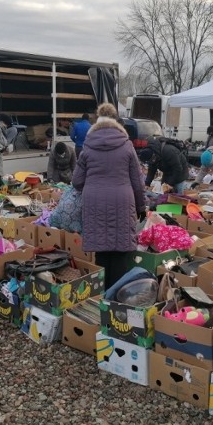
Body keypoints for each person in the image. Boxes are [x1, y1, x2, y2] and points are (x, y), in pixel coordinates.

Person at [72, 103, 145, 290]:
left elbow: (77, 181)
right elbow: (137, 181)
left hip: (94, 201)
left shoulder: (88, 146)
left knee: (101, 251)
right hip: (122, 200)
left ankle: (101, 296)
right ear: (116, 120)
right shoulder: (126, 145)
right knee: (120, 251)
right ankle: (118, 299)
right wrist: (141, 207)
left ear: (97, 120)